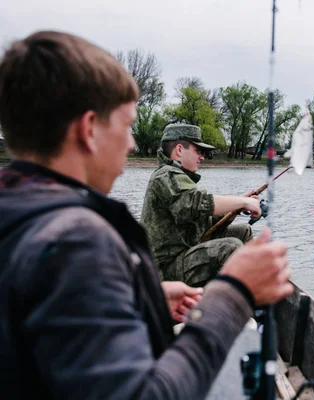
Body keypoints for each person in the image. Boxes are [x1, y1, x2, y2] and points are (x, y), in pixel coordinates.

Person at [0, 30, 293, 399]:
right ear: (89, 130)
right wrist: (233, 295)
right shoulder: (74, 241)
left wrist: (144, 298)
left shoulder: (17, 215)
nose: (132, 143)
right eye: (125, 126)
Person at [140, 124, 262, 287]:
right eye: (198, 151)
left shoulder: (178, 177)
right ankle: (228, 303)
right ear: (179, 150)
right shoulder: (165, 176)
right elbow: (196, 203)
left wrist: (235, 208)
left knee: (243, 232)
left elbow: (203, 223)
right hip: (164, 272)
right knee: (230, 247)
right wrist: (243, 201)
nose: (202, 157)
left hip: (182, 257)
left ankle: (255, 288)